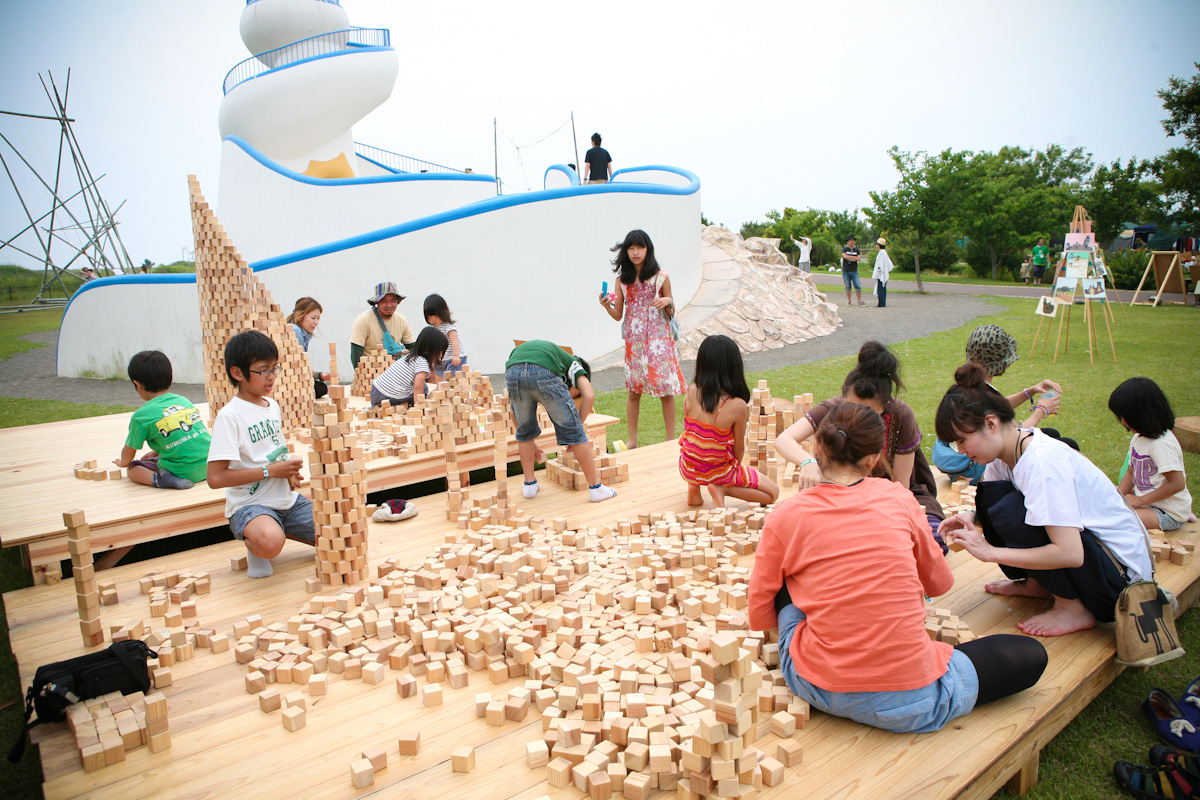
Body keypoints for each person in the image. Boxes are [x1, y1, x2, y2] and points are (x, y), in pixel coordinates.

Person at [749, 403, 1047, 733]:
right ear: (874, 459)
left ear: (817, 448)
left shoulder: (786, 515)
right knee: (1031, 654)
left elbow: (760, 604)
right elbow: (939, 583)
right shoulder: (899, 498)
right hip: (914, 701)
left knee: (786, 576)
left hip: (815, 684)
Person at [935, 362, 1154, 636]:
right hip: (1097, 563)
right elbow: (993, 507)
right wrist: (971, 516)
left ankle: (1072, 608)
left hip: (1120, 585)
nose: (960, 451)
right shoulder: (1005, 453)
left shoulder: (1041, 462)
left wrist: (989, 552)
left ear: (990, 424)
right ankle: (1041, 585)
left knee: (1009, 510)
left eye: (962, 441)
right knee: (991, 500)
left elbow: (1070, 553)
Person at [774, 341, 946, 542]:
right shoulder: (831, 408)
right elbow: (783, 439)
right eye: (850, 407)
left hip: (890, 499)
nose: (855, 416)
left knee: (931, 538)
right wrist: (808, 462)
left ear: (884, 407)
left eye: (867, 412)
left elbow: (901, 485)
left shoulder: (900, 415)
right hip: (838, 494)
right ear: (842, 399)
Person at [207, 330, 314, 579]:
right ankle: (260, 542)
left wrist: (287, 472)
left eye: (274, 368)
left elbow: (272, 452)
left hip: (285, 500)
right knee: (270, 541)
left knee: (338, 534)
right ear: (237, 373)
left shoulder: (272, 406)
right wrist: (269, 472)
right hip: (250, 504)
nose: (272, 376)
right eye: (264, 370)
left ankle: (277, 527)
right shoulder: (230, 416)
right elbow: (215, 478)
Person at [932, 325, 1070, 484]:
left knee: (1051, 434)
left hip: (965, 460)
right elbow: (1012, 436)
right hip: (976, 467)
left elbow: (997, 406)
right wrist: (1041, 410)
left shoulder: (970, 387)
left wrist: (1029, 392)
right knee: (1064, 443)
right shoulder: (979, 392)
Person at [599, 229, 686, 448]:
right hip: (635, 341)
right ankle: (633, 440)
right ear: (626, 251)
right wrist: (607, 306)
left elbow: (671, 314)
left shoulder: (661, 276)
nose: (635, 252)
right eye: (631, 248)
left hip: (659, 341)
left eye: (640, 247)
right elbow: (618, 314)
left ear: (648, 249)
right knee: (633, 391)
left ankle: (670, 441)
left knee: (665, 391)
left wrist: (668, 301)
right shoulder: (622, 281)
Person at [505, 339, 618, 503]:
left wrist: (531, 443)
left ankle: (529, 485)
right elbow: (589, 395)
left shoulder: (547, 356)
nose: (571, 395)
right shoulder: (575, 364)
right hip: (543, 372)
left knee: (525, 432)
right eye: (574, 393)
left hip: (512, 371)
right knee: (575, 432)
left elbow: (514, 414)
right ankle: (596, 488)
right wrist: (577, 428)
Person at [679, 335, 780, 509]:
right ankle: (722, 489)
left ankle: (694, 490)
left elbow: (691, 432)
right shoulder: (737, 405)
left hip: (688, 466)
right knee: (773, 494)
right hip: (718, 472)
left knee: (699, 443)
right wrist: (732, 474)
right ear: (734, 366)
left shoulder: (692, 390)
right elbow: (738, 450)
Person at [113, 351, 210, 490]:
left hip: (184, 472)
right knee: (151, 455)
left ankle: (160, 479)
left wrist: (124, 462)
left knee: (133, 469)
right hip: (212, 465)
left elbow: (130, 450)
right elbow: (185, 438)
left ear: (138, 385)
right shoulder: (183, 401)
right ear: (170, 378)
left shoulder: (141, 417)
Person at [1108, 378, 1194, 532]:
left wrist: (1140, 500)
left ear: (1143, 415)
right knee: (1107, 504)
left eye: (1125, 416)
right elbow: (1130, 472)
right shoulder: (1138, 438)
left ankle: (1183, 514)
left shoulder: (1162, 445)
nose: (1123, 421)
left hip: (1167, 513)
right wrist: (1118, 496)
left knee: (1117, 519)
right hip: (1147, 503)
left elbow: (1177, 484)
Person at [370, 327, 448, 408]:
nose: (441, 355)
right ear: (429, 350)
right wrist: (419, 407)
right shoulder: (422, 363)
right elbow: (418, 388)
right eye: (440, 352)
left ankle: (378, 406)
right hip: (389, 396)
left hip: (376, 391)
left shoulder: (409, 357)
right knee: (423, 388)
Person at [350, 282, 416, 369]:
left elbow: (413, 349)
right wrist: (361, 374)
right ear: (377, 302)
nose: (389, 305)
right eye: (384, 301)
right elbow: (356, 354)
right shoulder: (363, 320)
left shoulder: (402, 320)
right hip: (373, 372)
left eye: (393, 300)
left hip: (396, 372)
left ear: (397, 301)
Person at [287, 297, 331, 398]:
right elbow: (298, 368)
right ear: (300, 315)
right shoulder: (295, 330)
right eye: (313, 318)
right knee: (320, 389)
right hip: (289, 380)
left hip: (295, 376)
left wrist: (320, 375)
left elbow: (302, 367)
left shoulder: (305, 334)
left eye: (318, 318)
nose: (316, 322)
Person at [423, 293, 468, 377]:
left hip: (453, 358)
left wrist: (456, 355)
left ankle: (460, 386)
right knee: (438, 374)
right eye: (430, 317)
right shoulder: (433, 329)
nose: (433, 320)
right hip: (441, 359)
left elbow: (454, 341)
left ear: (442, 312)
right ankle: (439, 385)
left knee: (454, 378)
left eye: (436, 316)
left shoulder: (449, 326)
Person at [841, 235, 863, 306]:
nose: (852, 242)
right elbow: (845, 256)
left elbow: (859, 258)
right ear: (847, 242)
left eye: (853, 240)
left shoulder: (856, 250)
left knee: (858, 285)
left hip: (854, 270)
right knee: (848, 286)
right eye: (851, 240)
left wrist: (850, 258)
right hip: (846, 270)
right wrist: (854, 258)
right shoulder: (845, 249)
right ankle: (849, 301)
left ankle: (859, 300)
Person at [871, 237, 893, 308]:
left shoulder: (882, 253)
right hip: (882, 273)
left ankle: (882, 303)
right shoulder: (883, 252)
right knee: (880, 288)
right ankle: (881, 302)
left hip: (881, 273)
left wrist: (879, 272)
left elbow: (880, 264)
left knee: (881, 289)